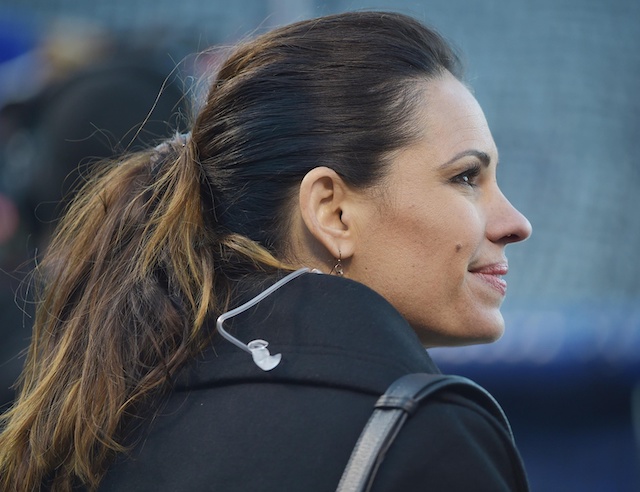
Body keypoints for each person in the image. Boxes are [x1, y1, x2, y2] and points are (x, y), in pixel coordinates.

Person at [0, 11, 532, 491]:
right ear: (333, 212)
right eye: (466, 177)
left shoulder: (101, 423)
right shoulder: (423, 434)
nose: (516, 223)